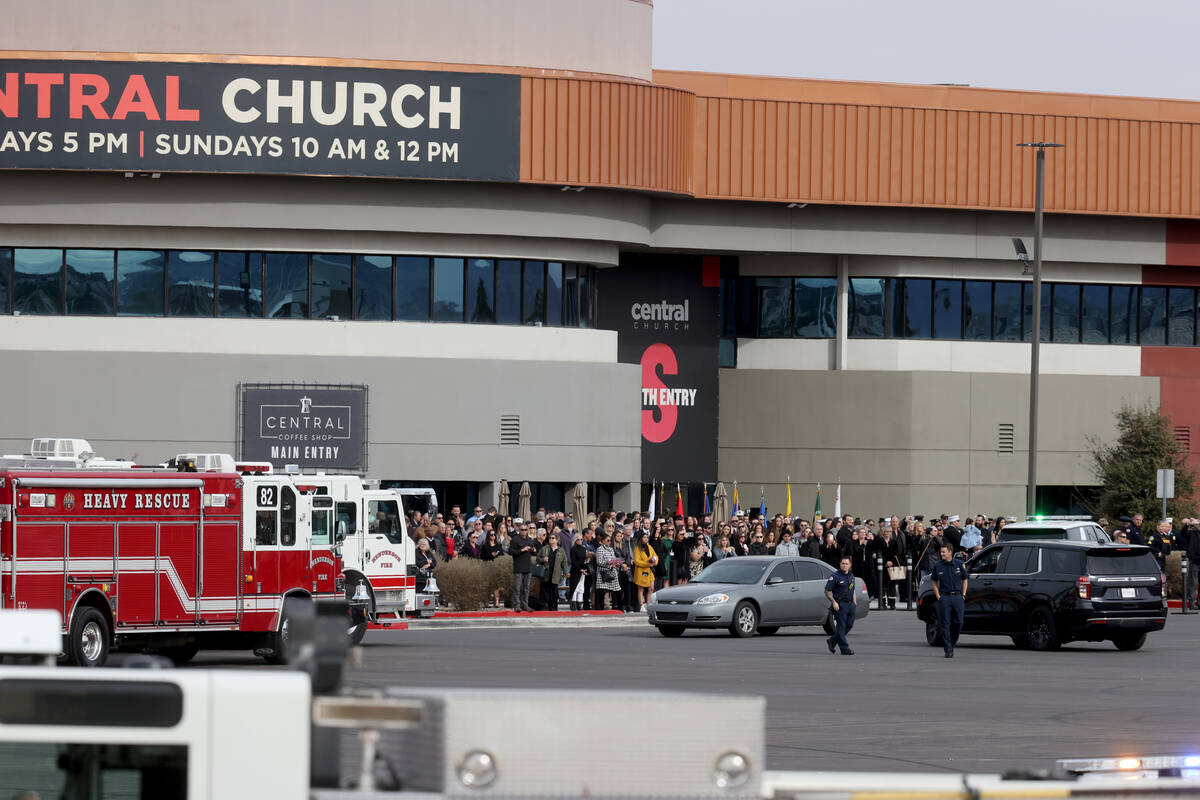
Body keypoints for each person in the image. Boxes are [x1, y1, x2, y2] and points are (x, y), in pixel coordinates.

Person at [930, 542, 969, 658]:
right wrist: (938, 596)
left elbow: (965, 579)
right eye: (941, 552)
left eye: (943, 552)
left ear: (950, 552)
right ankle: (948, 649)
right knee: (945, 623)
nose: (941, 554)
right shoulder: (938, 566)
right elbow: (934, 581)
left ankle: (951, 643)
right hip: (945, 597)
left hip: (958, 597)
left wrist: (963, 594)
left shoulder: (959, 564)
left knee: (959, 622)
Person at [824, 556, 857, 655]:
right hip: (840, 605)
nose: (844, 565)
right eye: (843, 563)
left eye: (847, 564)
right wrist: (833, 602)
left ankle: (832, 641)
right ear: (840, 564)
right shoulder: (835, 576)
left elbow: (853, 589)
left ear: (850, 565)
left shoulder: (851, 576)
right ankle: (844, 648)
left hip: (851, 605)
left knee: (849, 625)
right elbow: (827, 591)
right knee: (841, 627)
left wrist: (855, 602)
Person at [508, 523, 536, 612]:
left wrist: (533, 550)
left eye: (525, 530)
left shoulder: (529, 539)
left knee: (526, 588)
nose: (524, 531)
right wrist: (522, 550)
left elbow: (533, 551)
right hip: (519, 567)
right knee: (517, 587)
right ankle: (517, 605)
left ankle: (525, 605)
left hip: (528, 567)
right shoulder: (515, 540)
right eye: (522, 530)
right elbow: (511, 551)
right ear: (519, 530)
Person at [537, 531, 567, 611]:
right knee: (544, 593)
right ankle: (543, 609)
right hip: (546, 574)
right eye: (550, 538)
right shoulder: (544, 548)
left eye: (553, 538)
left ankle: (553, 609)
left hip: (555, 575)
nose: (550, 539)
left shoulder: (561, 550)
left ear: (557, 540)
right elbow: (537, 559)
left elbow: (564, 562)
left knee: (554, 594)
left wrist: (565, 573)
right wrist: (543, 559)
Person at [594, 526, 622, 609]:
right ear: (603, 541)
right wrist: (609, 564)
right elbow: (599, 562)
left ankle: (619, 608)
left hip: (612, 573)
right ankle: (600, 609)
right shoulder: (600, 549)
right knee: (601, 593)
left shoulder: (611, 549)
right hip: (603, 574)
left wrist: (616, 564)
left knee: (617, 591)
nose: (609, 542)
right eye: (608, 540)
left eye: (610, 540)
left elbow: (613, 559)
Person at [631, 530, 658, 611]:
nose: (646, 539)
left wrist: (655, 562)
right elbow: (637, 561)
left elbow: (655, 556)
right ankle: (641, 605)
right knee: (641, 589)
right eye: (644, 537)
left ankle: (648, 604)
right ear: (641, 539)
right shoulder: (637, 548)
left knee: (651, 588)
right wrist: (648, 564)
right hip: (641, 571)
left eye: (647, 537)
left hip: (649, 571)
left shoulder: (649, 547)